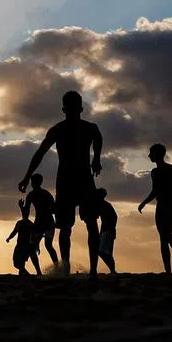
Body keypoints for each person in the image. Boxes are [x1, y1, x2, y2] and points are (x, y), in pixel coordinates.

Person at [19, 91, 103, 276]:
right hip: (67, 181)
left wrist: (96, 159)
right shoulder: (59, 130)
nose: (72, 111)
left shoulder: (88, 128)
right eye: (70, 108)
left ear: (80, 108)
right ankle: (66, 269)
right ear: (64, 109)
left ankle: (93, 270)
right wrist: (27, 177)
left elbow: (98, 140)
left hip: (81, 179)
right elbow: (40, 153)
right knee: (67, 227)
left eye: (75, 108)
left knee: (88, 224)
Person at [138, 143, 172, 273]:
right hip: (161, 205)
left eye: (151, 153)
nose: (149, 155)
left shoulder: (171, 169)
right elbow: (155, 191)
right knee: (163, 237)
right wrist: (145, 202)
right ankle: (168, 270)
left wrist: (169, 192)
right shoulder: (154, 172)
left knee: (166, 235)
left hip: (171, 204)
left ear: (158, 154)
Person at [24, 173, 59, 268]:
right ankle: (44, 271)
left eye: (33, 182)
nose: (32, 183)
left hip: (44, 223)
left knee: (43, 246)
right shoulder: (36, 194)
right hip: (43, 223)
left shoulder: (37, 194)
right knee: (42, 246)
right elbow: (54, 209)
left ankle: (53, 269)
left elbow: (26, 214)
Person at [83, 188, 117, 275]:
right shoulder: (101, 205)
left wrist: (108, 228)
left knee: (103, 252)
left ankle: (112, 270)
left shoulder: (104, 205)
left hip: (108, 230)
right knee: (105, 252)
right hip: (106, 230)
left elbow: (114, 217)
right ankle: (112, 270)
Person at [6, 199, 40, 275]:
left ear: (28, 214)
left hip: (27, 245)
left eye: (26, 213)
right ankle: (24, 272)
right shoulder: (19, 223)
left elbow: (34, 236)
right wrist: (9, 238)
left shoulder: (30, 224)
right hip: (19, 245)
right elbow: (14, 232)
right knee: (16, 262)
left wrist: (36, 246)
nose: (24, 214)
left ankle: (28, 273)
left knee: (21, 261)